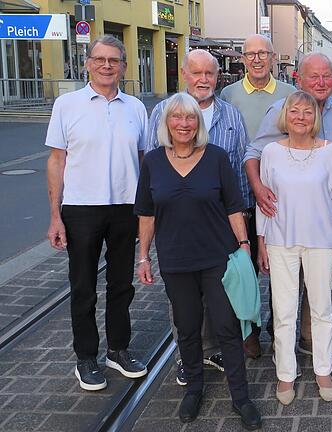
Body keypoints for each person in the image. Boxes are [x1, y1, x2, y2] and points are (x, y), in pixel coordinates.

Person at [135, 92, 262, 429]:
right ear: (166, 123)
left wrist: (245, 246)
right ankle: (193, 388)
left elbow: (234, 205)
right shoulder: (153, 163)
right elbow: (146, 214)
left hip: (218, 257)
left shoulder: (217, 157)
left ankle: (241, 397)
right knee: (188, 329)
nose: (184, 124)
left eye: (190, 118)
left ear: (198, 123)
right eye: (176, 117)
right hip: (175, 260)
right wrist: (144, 257)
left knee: (227, 327)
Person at [45, 35, 148, 391]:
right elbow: (56, 161)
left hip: (125, 207)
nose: (107, 66)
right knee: (83, 286)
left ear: (123, 66)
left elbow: (142, 160)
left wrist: (146, 211)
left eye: (114, 60)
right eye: (100, 59)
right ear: (87, 63)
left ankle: (118, 349)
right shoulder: (67, 104)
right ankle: (86, 356)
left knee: (121, 284)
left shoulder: (135, 107)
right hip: (80, 208)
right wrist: (55, 215)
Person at [146, 49, 251, 384]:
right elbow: (152, 167)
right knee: (185, 305)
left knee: (221, 297)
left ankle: (219, 350)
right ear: (184, 73)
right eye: (197, 73)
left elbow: (237, 167)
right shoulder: (162, 111)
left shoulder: (232, 116)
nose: (203, 80)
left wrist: (243, 229)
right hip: (178, 224)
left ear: (217, 77)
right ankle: (187, 358)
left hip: (220, 224)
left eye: (210, 74)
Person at [245, 53, 332, 358]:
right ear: (298, 79)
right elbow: (253, 151)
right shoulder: (286, 110)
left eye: (326, 76)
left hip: (322, 219)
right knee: (286, 289)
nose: (321, 82)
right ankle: (281, 343)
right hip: (286, 219)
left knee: (316, 287)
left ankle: (309, 340)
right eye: (313, 76)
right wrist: (258, 187)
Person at [255, 90, 332, 406]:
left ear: (315, 118)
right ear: (286, 116)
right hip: (280, 240)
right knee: (283, 311)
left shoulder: (329, 151)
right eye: (294, 111)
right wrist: (261, 242)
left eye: (307, 112)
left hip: (321, 241)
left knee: (322, 310)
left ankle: (323, 368)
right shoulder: (270, 152)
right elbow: (264, 201)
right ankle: (286, 372)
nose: (301, 117)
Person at [221, 34, 295, 358]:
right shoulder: (229, 94)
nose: (256, 59)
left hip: (278, 197)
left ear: (273, 56)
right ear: (242, 58)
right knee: (243, 267)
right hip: (238, 196)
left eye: (262, 53)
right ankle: (247, 329)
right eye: (250, 54)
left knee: (279, 268)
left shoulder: (290, 94)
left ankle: (278, 328)